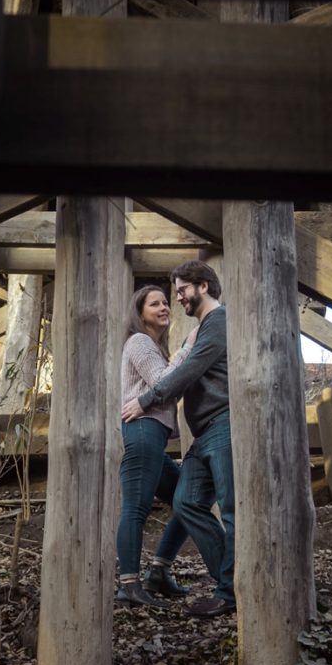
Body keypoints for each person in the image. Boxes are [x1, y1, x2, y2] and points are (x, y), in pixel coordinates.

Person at [122, 261, 234, 617]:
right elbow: (169, 376)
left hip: (215, 426)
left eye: (181, 289)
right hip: (178, 432)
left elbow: (183, 373)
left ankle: (223, 589)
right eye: (156, 302)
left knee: (210, 506)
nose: (175, 299)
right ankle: (135, 582)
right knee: (165, 505)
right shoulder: (147, 340)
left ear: (202, 285)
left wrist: (147, 398)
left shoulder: (217, 321)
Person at [116, 285, 194, 607]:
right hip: (142, 432)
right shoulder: (139, 341)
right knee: (136, 507)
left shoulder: (151, 346)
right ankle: (129, 585)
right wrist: (189, 349)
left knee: (189, 500)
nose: (164, 307)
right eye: (155, 304)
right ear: (140, 312)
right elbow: (164, 381)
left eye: (165, 303)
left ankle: (159, 571)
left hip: (154, 438)